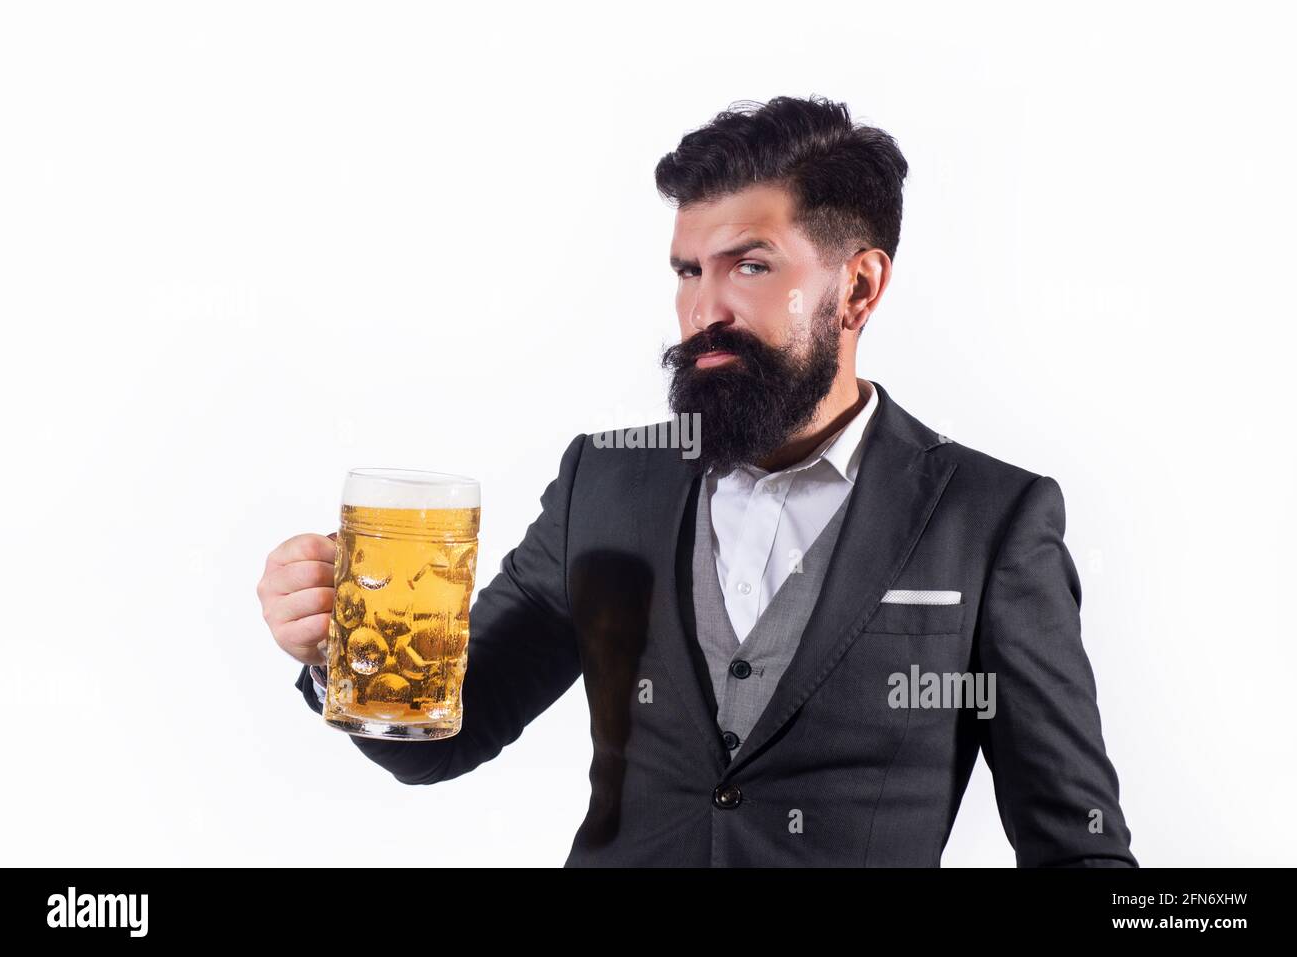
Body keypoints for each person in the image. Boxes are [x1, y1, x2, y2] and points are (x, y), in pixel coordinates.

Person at [258, 95, 1137, 867]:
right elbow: (447, 730)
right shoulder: (605, 480)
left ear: (859, 287)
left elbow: (1077, 844)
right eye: (689, 270)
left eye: (750, 266)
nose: (704, 311)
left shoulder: (990, 520)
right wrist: (338, 649)